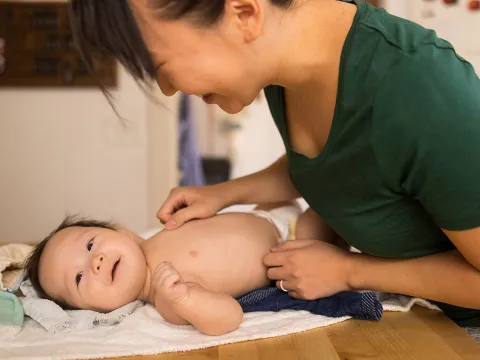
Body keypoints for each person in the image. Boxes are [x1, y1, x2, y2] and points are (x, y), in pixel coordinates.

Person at [69, 0, 480, 327]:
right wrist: (224, 194)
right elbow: (346, 162)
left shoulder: (420, 92)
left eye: (162, 68)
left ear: (244, 15)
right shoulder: (285, 75)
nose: (169, 88)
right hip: (425, 319)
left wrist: (350, 271)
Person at [24, 202, 382, 335]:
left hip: (266, 211)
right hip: (293, 245)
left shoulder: (158, 235)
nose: (96, 261)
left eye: (91, 245)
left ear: (122, 233)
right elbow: (228, 317)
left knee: (315, 179)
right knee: (341, 206)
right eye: (80, 277)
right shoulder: (166, 296)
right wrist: (185, 299)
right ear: (97, 311)